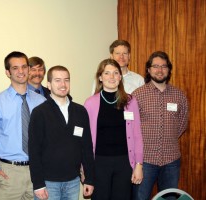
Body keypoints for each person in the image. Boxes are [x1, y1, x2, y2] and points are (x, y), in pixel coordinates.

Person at [0, 51, 46, 200]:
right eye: (15, 68)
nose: (21, 71)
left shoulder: (41, 102)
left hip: (37, 172)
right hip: (9, 173)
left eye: (24, 67)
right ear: (7, 72)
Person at [29, 66, 94, 200]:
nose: (63, 84)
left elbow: (87, 147)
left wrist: (90, 179)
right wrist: (38, 184)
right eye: (57, 80)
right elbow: (34, 151)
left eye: (66, 80)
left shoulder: (80, 111)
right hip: (48, 183)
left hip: (73, 182)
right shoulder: (39, 113)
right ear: (49, 84)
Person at [132, 51, 189, 200]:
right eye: (155, 66)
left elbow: (183, 122)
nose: (159, 70)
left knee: (170, 198)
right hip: (145, 161)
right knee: (140, 198)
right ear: (149, 69)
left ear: (169, 69)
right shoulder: (137, 95)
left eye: (164, 66)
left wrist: (167, 137)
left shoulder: (179, 95)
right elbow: (131, 127)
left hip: (171, 160)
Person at [84, 58, 143, 200]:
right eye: (107, 73)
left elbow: (137, 134)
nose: (111, 77)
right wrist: (84, 169)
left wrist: (139, 165)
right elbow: (85, 140)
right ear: (100, 77)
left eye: (115, 73)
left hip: (124, 162)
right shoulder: (90, 103)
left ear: (120, 77)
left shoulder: (130, 101)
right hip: (99, 163)